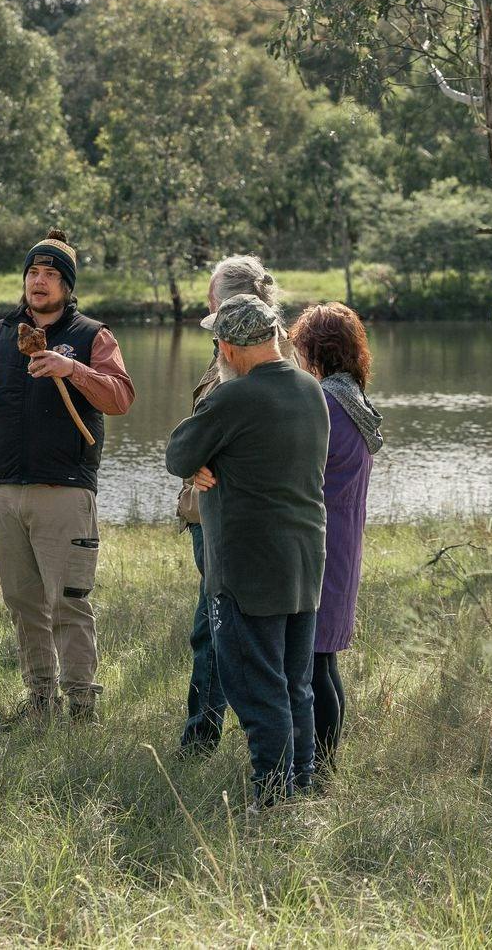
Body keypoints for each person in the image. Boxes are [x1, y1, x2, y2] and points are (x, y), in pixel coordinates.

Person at [0, 231, 134, 723]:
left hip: (65, 488)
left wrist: (70, 369)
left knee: (68, 601)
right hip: (5, 487)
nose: (40, 282)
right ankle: (39, 698)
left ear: (68, 286)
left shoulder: (94, 336)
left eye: (51, 275)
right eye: (33, 274)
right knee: (22, 601)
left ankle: (81, 705)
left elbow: (120, 398)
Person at [166, 294, 329, 808]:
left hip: (246, 567)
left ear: (230, 348)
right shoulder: (311, 390)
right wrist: (209, 462)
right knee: (295, 685)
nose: (216, 350)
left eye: (217, 342)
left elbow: (177, 454)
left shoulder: (232, 398)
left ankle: (273, 797)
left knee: (257, 689)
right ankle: (301, 786)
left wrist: (201, 461)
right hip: (305, 562)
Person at [175, 256, 287, 756]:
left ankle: (204, 737)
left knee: (217, 627)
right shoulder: (236, 355)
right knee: (220, 625)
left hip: (230, 516)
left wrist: (204, 461)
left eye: (210, 299)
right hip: (215, 510)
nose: (206, 307)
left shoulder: (252, 364)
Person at [288, 302, 382, 783]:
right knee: (324, 661)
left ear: (315, 348)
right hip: (344, 544)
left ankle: (320, 769)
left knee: (314, 664)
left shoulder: (324, 402)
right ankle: (325, 764)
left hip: (321, 545)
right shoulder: (354, 398)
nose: (295, 353)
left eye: (300, 344)